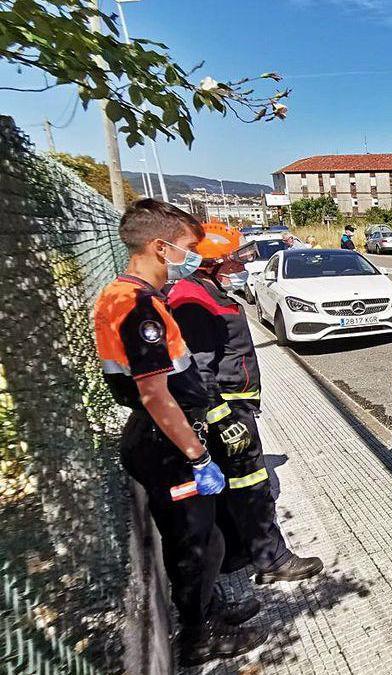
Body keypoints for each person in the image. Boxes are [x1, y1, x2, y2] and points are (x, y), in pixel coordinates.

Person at [93, 199, 264, 666]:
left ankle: (203, 617)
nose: (191, 256)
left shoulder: (123, 295)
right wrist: (197, 455)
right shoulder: (137, 306)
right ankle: (198, 637)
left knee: (202, 538)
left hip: (163, 438)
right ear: (159, 246)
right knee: (196, 544)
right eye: (187, 247)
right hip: (167, 442)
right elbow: (154, 393)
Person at [167, 221, 324, 589]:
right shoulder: (193, 301)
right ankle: (273, 558)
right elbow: (199, 370)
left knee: (234, 484)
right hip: (228, 411)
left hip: (234, 406)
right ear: (210, 263)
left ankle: (238, 552)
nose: (242, 263)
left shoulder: (206, 291)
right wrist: (222, 419)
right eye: (234, 258)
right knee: (253, 483)